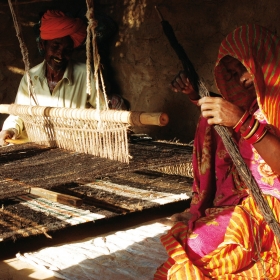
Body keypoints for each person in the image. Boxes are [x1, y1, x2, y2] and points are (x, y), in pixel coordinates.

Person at [154, 24, 280, 279]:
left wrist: (243, 123)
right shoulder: (253, 105)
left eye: (245, 68)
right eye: (232, 73)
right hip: (243, 199)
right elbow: (230, 117)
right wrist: (195, 94)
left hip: (274, 206)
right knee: (192, 242)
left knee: (202, 250)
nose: (241, 79)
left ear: (263, 60)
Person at [0, 9, 126, 146]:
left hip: (76, 147)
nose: (60, 55)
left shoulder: (85, 74)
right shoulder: (30, 78)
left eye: (67, 50)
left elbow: (103, 111)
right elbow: (19, 114)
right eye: (55, 47)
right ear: (43, 45)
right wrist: (10, 129)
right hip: (39, 145)